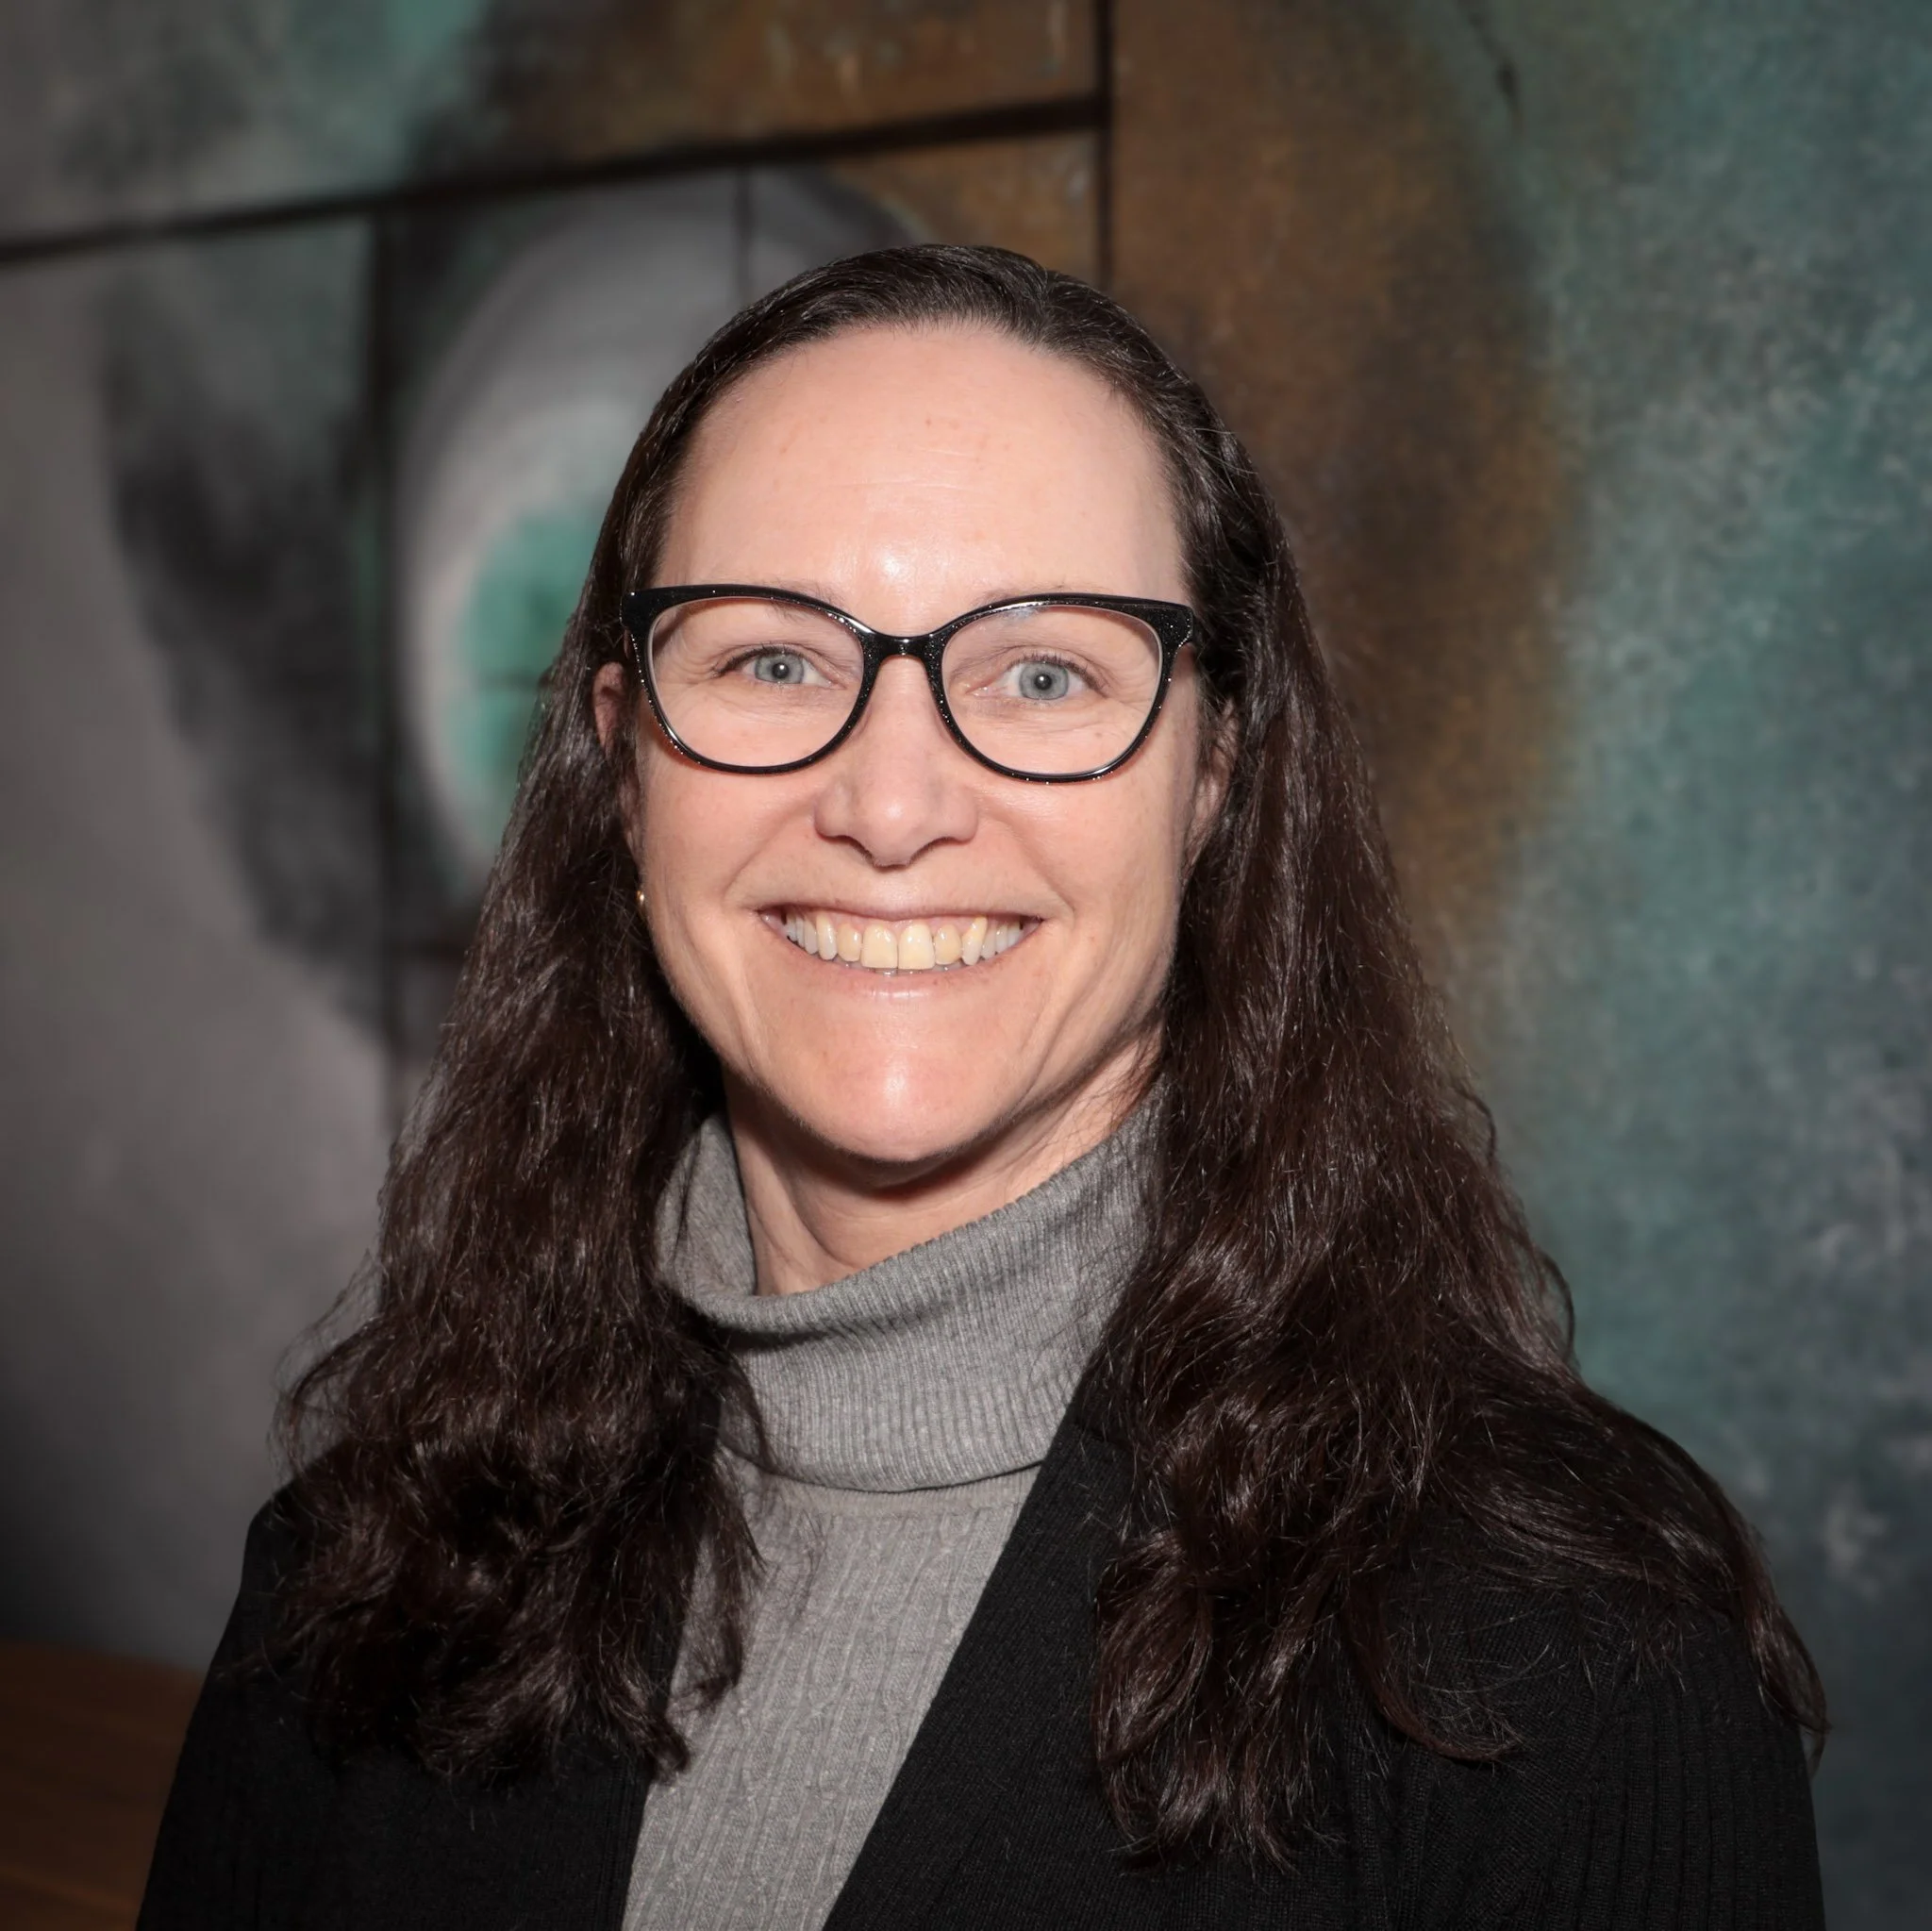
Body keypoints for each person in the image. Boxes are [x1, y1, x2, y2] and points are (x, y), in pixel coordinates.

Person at [140, 245, 1825, 1930]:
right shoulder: (362, 1570)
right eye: (772, 662)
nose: (890, 801)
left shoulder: (1574, 1653)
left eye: (1043, 674)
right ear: (625, 764)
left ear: (1215, 780)